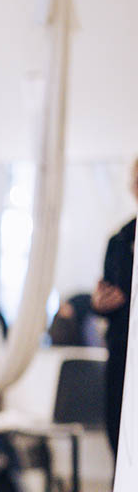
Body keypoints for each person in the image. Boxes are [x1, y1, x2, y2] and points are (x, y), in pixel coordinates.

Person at [91, 158, 138, 460]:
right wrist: (99, 305)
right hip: (122, 351)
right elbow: (109, 296)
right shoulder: (120, 240)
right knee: (119, 435)